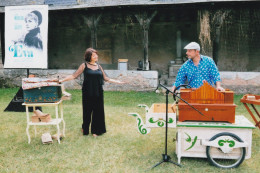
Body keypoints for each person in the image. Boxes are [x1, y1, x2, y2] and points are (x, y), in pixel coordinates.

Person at [60, 48, 125, 137]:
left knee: (98, 111)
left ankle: (96, 131)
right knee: (87, 111)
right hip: (87, 92)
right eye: (94, 55)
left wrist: (118, 82)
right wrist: (62, 80)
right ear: (89, 56)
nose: (96, 56)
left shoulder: (99, 66)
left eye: (96, 54)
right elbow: (74, 75)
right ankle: (85, 128)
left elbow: (105, 78)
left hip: (98, 92)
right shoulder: (84, 65)